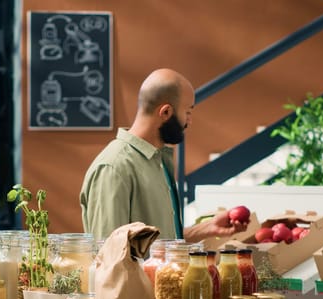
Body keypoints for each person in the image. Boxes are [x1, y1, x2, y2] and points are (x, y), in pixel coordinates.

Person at [80, 68, 248, 241]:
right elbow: (109, 255)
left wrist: (207, 228)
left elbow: (160, 244)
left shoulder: (157, 162)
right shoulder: (114, 168)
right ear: (166, 112)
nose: (189, 121)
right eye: (188, 112)